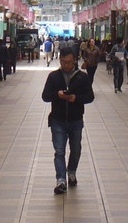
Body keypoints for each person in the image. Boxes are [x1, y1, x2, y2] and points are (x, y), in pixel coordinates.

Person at [41, 47, 94, 195]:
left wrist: (76, 98)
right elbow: (45, 96)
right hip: (58, 120)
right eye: (64, 62)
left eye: (69, 62)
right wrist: (57, 95)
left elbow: (90, 97)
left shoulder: (82, 77)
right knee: (59, 151)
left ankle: (71, 172)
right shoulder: (53, 77)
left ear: (75, 61)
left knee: (76, 149)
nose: (66, 65)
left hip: (76, 120)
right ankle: (61, 180)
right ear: (60, 61)